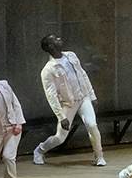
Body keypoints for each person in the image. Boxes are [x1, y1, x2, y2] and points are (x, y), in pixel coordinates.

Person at [32, 34, 106, 166]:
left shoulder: (71, 55)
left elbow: (83, 74)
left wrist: (92, 95)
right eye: (56, 39)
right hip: (68, 103)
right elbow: (51, 95)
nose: (60, 39)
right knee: (60, 137)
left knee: (92, 125)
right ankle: (40, 150)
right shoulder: (48, 70)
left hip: (83, 98)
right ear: (51, 46)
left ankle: (99, 156)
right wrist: (61, 116)